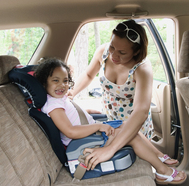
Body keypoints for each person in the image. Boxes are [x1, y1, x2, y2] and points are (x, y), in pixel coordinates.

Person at [35, 58, 187, 184]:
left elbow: (70, 117)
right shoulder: (53, 105)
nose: (62, 85)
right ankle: (162, 171)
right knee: (131, 136)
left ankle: (158, 155)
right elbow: (71, 131)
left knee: (128, 125)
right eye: (56, 80)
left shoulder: (59, 99)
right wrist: (99, 126)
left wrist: (87, 112)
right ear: (44, 82)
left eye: (65, 80)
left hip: (88, 135)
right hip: (82, 143)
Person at [67, 20, 180, 168]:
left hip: (134, 126)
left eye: (122, 52)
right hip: (111, 120)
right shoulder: (103, 52)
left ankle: (159, 160)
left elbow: (141, 112)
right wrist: (70, 94)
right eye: (112, 47)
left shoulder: (142, 69)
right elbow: (88, 75)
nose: (113, 54)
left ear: (136, 51)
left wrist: (110, 149)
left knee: (135, 162)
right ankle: (159, 157)